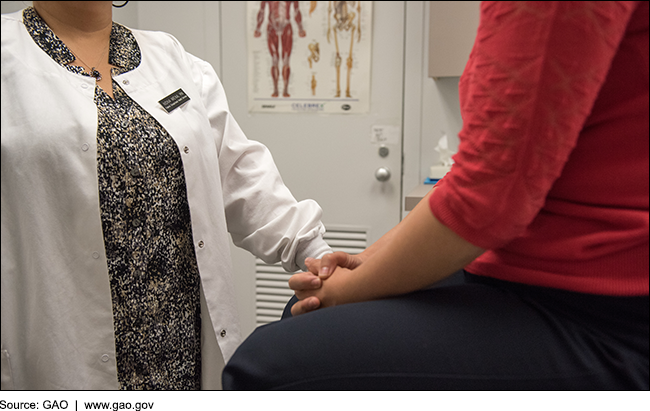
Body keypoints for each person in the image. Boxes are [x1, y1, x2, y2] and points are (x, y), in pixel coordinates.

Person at [222, 1, 649, 390]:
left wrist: (344, 291)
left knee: (262, 366)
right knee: (294, 317)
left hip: (602, 312)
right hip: (528, 274)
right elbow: (482, 171)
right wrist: (362, 262)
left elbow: (487, 200)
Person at [1, 1, 331, 390]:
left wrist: (319, 258)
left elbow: (242, 175)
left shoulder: (172, 59)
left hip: (182, 353)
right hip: (61, 358)